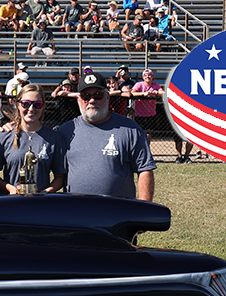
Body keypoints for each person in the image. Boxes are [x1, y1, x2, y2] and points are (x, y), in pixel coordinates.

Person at [57, 72, 154, 201]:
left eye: (98, 95)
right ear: (78, 99)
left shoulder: (130, 129)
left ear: (107, 96)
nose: (92, 100)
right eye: (86, 96)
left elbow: (145, 170)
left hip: (118, 214)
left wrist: (144, 210)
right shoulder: (65, 131)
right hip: (76, 213)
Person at [0, 84, 66, 195]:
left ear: (43, 107)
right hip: (10, 204)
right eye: (26, 104)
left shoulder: (54, 138)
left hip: (40, 205)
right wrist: (10, 188)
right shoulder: (3, 136)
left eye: (37, 104)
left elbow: (60, 177)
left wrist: (45, 192)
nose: (31, 108)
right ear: (18, 105)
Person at [129, 68, 162, 142]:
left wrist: (157, 93)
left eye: (149, 75)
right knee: (139, 133)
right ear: (143, 77)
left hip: (151, 114)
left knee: (148, 134)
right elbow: (133, 93)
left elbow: (163, 92)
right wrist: (143, 93)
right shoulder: (139, 84)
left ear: (152, 77)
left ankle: (146, 148)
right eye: (146, 75)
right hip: (139, 114)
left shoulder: (155, 85)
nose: (148, 77)